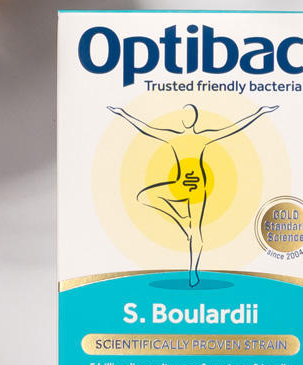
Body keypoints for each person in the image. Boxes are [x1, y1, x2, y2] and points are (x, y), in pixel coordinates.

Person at [108, 102, 278, 287]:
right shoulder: (171, 137)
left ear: (195, 119)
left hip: (198, 189)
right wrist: (123, 113)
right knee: (143, 197)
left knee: (196, 232)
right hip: (179, 185)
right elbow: (145, 128)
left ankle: (193, 270)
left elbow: (234, 128)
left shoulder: (205, 137)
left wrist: (260, 112)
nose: (186, 119)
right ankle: (181, 218)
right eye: (183, 116)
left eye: (190, 116)